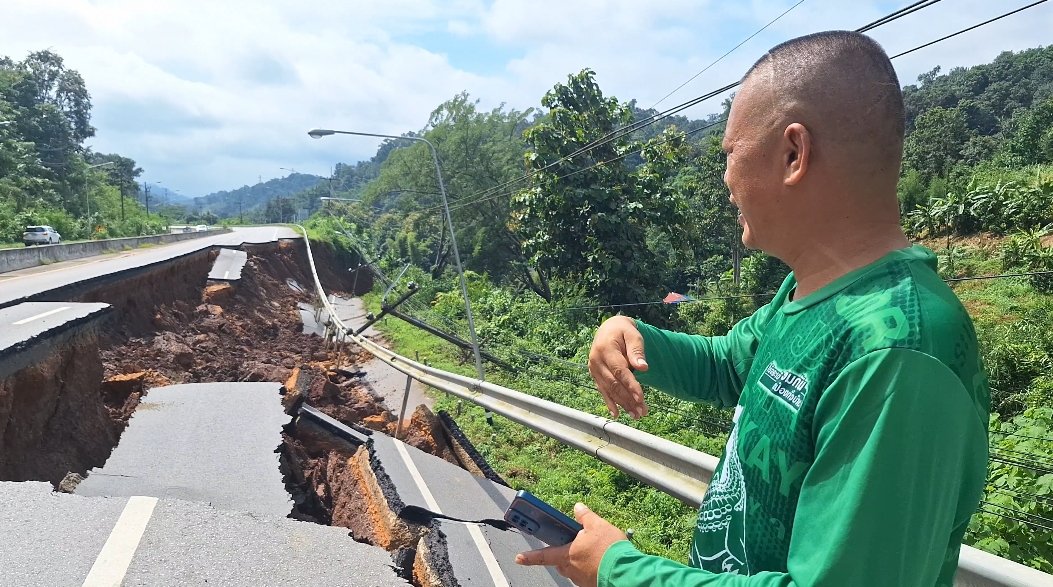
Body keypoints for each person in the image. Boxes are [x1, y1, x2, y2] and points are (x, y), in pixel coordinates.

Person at [516, 30, 990, 587]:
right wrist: (627, 333)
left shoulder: (897, 351)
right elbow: (731, 363)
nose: (725, 179)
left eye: (731, 153)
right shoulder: (808, 293)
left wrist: (623, 572)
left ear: (794, 154)